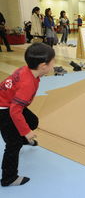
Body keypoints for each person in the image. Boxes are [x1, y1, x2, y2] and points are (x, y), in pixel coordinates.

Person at [0, 43, 55, 186]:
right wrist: (26, 132)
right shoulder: (27, 83)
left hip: (12, 103)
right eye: (53, 61)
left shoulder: (27, 70)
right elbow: (14, 111)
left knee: (33, 121)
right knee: (13, 144)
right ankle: (9, 178)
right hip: (4, 109)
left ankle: (23, 139)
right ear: (43, 66)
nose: (54, 64)